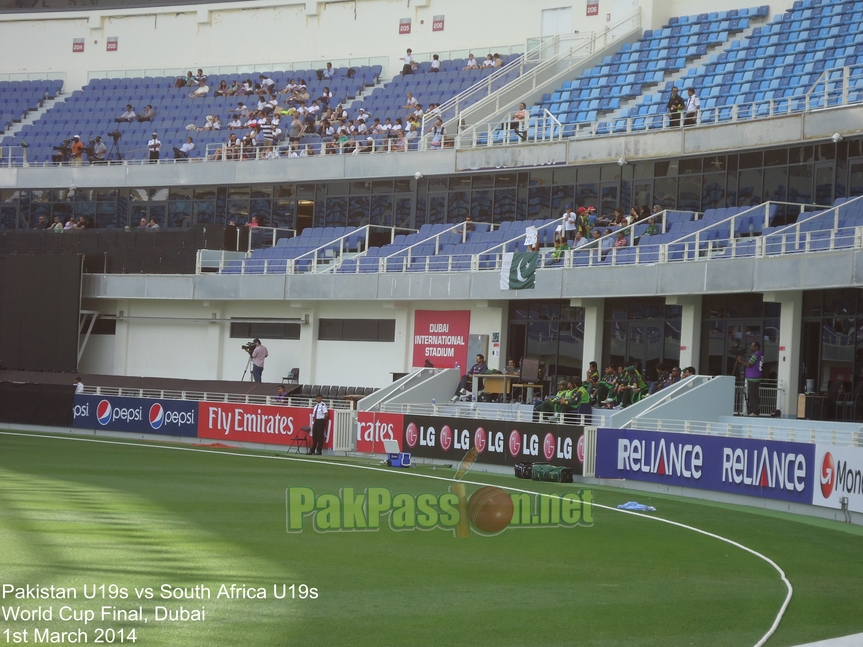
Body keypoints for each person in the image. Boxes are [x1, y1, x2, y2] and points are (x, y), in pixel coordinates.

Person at [737, 341, 763, 416]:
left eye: (752, 346)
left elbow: (749, 364)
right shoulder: (760, 355)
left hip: (753, 377)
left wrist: (740, 361)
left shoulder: (755, 355)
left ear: (756, 347)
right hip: (757, 376)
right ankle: (753, 410)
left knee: (752, 395)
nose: (751, 348)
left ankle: (755, 411)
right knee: (754, 394)